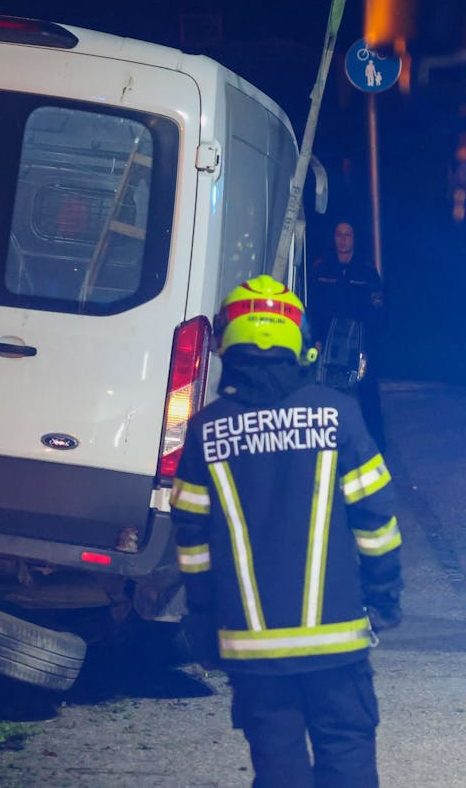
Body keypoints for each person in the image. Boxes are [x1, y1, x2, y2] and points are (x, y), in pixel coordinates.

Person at [174, 275, 401, 788]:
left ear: (226, 344)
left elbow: (191, 542)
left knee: (278, 769)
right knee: (346, 753)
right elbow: (377, 521)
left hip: (252, 647)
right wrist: (384, 599)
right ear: (300, 342)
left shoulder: (206, 431)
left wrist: (204, 619)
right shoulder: (339, 414)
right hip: (336, 640)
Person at [307, 220, 388, 447]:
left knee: (367, 392)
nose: (343, 240)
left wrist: (370, 346)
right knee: (327, 393)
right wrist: (316, 340)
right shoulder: (322, 268)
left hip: (360, 343)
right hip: (330, 343)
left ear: (354, 238)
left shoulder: (366, 270)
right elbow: (314, 308)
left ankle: (376, 445)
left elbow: (379, 310)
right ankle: (326, 443)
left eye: (348, 235)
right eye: (339, 235)